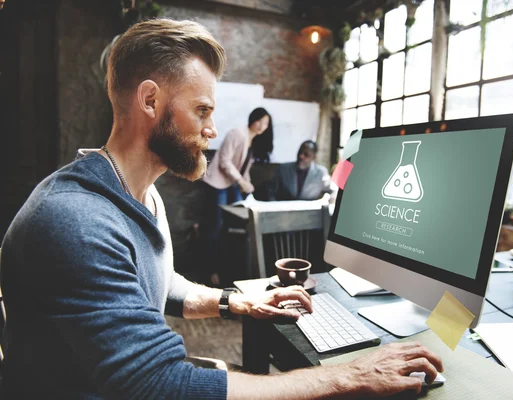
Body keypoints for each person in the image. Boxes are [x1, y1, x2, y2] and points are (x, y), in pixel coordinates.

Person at [0, 18, 443, 399]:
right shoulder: (75, 221)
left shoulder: (140, 194)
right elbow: (165, 385)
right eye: (202, 110)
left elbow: (159, 283)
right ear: (150, 101)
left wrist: (239, 303)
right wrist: (351, 377)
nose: (212, 129)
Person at [202, 107, 272, 284]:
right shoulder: (237, 133)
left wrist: (247, 184)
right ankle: (211, 271)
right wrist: (241, 182)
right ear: (253, 119)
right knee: (215, 227)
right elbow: (225, 161)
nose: (263, 126)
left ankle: (230, 269)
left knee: (235, 226)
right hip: (218, 183)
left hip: (232, 184)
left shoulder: (252, 140)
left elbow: (244, 167)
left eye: (266, 123)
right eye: (261, 121)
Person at [270, 140, 334, 201]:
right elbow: (271, 191)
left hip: (310, 210)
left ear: (314, 157)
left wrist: (331, 200)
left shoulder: (321, 172)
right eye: (300, 152)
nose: (301, 156)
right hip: (285, 209)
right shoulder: (283, 169)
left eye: (306, 154)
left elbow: (333, 190)